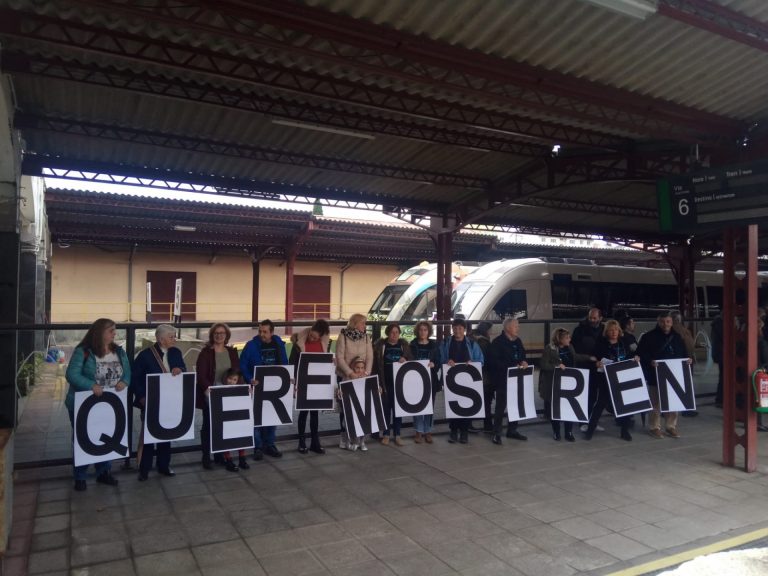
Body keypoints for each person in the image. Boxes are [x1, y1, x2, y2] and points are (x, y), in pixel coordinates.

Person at [65, 318, 131, 491]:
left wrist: (124, 381)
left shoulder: (119, 351)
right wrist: (90, 385)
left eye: (114, 331)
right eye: (111, 331)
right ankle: (80, 476)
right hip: (84, 404)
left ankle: (104, 471)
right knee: (82, 438)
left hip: (109, 403)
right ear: (99, 332)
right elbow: (71, 374)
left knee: (106, 436)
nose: (114, 334)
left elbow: (128, 372)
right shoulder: (83, 351)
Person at [131, 324, 186, 481]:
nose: (174, 339)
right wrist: (142, 397)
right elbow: (136, 379)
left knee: (166, 434)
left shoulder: (176, 352)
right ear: (160, 339)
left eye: (174, 336)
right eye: (171, 337)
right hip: (151, 400)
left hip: (170, 399)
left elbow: (183, 368)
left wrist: (180, 369)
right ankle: (144, 469)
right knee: (149, 435)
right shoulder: (145, 355)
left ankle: (164, 466)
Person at [637, 312, 692, 439]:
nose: (665, 324)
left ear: (671, 322)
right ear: (658, 322)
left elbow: (684, 353)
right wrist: (650, 361)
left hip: (674, 374)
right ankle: (654, 427)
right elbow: (641, 353)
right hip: (655, 375)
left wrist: (687, 360)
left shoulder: (677, 337)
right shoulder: (648, 337)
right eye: (662, 322)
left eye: (667, 321)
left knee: (673, 401)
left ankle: (670, 426)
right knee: (655, 402)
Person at [240, 319, 288, 460]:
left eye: (265, 332)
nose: (262, 334)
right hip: (257, 387)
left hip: (274, 387)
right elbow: (243, 364)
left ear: (272, 332)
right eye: (260, 331)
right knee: (257, 419)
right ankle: (258, 447)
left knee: (272, 417)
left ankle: (270, 444)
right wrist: (250, 379)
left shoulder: (279, 344)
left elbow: (284, 363)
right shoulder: (251, 346)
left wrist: (288, 377)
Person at [195, 322, 240, 470]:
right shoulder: (205, 353)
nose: (219, 335)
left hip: (228, 394)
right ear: (212, 335)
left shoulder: (232, 352)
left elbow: (236, 373)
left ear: (226, 335)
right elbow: (201, 375)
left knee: (223, 426)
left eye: (222, 333)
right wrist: (208, 388)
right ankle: (206, 456)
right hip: (211, 394)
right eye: (216, 333)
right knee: (208, 425)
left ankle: (220, 455)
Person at [583, 320, 634, 442]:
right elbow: (592, 358)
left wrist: (635, 358)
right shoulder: (601, 344)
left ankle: (624, 430)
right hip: (606, 378)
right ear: (606, 332)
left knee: (624, 404)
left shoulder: (624, 343)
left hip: (622, 377)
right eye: (611, 330)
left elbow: (631, 356)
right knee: (600, 403)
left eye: (616, 330)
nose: (614, 332)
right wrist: (596, 362)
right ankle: (590, 429)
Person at [539, 328, 589, 442]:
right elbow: (543, 364)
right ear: (559, 338)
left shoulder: (570, 347)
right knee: (555, 408)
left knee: (568, 407)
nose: (569, 339)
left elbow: (575, 357)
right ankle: (556, 432)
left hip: (569, 382)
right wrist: (556, 366)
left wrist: (589, 357)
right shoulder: (550, 348)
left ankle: (568, 432)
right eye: (567, 337)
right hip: (554, 382)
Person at [440, 318, 484, 444]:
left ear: (464, 330)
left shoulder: (471, 343)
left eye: (460, 328)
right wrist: (447, 361)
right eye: (455, 328)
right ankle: (453, 431)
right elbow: (441, 359)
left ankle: (464, 432)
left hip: (467, 380)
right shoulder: (446, 343)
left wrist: (473, 363)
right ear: (452, 329)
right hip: (451, 379)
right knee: (452, 404)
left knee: (466, 405)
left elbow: (481, 360)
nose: (457, 330)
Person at [290, 319, 331, 455]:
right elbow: (293, 363)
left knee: (315, 414)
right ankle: (301, 442)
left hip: (316, 383)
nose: (312, 339)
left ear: (321, 336)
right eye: (311, 335)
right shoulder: (299, 343)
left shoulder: (324, 344)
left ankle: (315, 441)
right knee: (303, 412)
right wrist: (294, 382)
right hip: (303, 381)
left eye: (315, 337)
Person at [335, 314, 373, 448]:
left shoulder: (367, 337)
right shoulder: (343, 336)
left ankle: (358, 438)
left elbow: (370, 357)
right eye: (363, 323)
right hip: (346, 376)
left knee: (360, 406)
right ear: (355, 324)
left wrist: (366, 373)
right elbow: (339, 357)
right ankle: (344, 437)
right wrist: (350, 372)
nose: (365, 326)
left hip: (362, 377)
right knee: (345, 409)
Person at [489, 317, 528, 445]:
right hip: (502, 379)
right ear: (507, 328)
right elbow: (494, 362)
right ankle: (496, 433)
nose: (518, 328)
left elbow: (522, 354)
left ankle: (512, 430)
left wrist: (523, 361)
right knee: (501, 406)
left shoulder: (518, 341)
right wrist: (510, 366)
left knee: (515, 405)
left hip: (517, 377)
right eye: (516, 326)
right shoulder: (497, 342)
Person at [374, 323, 413, 446]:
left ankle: (397, 435)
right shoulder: (381, 346)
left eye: (396, 332)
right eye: (392, 332)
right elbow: (376, 366)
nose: (394, 334)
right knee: (386, 410)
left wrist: (405, 359)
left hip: (399, 384)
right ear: (387, 333)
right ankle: (385, 434)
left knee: (398, 410)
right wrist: (378, 383)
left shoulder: (404, 346)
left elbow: (412, 360)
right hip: (386, 383)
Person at [572, 308, 605, 433]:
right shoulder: (579, 330)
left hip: (599, 366)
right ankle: (582, 421)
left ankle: (592, 420)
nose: (592, 320)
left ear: (600, 318)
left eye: (595, 318)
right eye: (590, 317)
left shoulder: (604, 330)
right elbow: (575, 349)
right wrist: (589, 358)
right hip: (584, 366)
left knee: (594, 396)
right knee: (584, 395)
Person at [410, 320, 441, 444]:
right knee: (417, 405)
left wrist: (434, 364)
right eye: (421, 330)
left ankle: (428, 431)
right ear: (417, 331)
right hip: (416, 380)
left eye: (425, 330)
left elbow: (438, 360)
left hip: (430, 379)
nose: (423, 332)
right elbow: (408, 360)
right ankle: (418, 431)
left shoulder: (434, 345)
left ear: (428, 332)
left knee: (429, 406)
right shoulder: (412, 345)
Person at [218, 367, 249, 471]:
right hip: (226, 418)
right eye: (230, 379)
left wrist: (249, 392)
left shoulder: (241, 388)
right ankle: (229, 460)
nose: (231, 382)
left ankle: (242, 459)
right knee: (226, 439)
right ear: (226, 378)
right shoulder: (219, 388)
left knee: (240, 437)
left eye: (234, 380)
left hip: (237, 418)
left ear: (238, 380)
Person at [341, 356, 371, 451]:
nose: (360, 370)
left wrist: (378, 389)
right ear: (353, 368)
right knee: (349, 424)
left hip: (362, 406)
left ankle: (361, 441)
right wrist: (339, 392)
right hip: (351, 407)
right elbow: (342, 390)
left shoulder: (367, 378)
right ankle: (350, 441)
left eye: (362, 368)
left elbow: (373, 388)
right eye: (357, 367)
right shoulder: (347, 378)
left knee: (364, 424)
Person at [470, 321, 494, 432]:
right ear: (487, 331)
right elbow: (488, 360)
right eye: (490, 330)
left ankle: (468, 424)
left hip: (473, 376)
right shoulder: (484, 343)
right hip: (484, 377)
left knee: (472, 400)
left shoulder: (471, 339)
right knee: (487, 401)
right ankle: (488, 425)